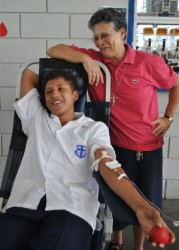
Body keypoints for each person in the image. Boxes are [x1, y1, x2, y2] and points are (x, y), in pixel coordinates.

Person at [47, 8, 179, 250]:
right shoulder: (95, 59)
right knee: (116, 199)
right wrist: (86, 60)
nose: (100, 42)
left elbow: (176, 84)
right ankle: (117, 241)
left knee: (146, 201)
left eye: (105, 35)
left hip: (147, 146)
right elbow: (53, 50)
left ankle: (137, 246)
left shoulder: (148, 62)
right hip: (115, 144)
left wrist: (168, 117)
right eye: (96, 37)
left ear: (122, 32)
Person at [0, 68, 176, 250]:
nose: (54, 95)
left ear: (76, 95)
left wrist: (141, 207)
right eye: (49, 91)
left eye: (62, 89)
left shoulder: (94, 129)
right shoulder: (35, 118)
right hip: (24, 204)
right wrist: (58, 76)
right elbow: (27, 75)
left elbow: (106, 164)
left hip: (70, 208)